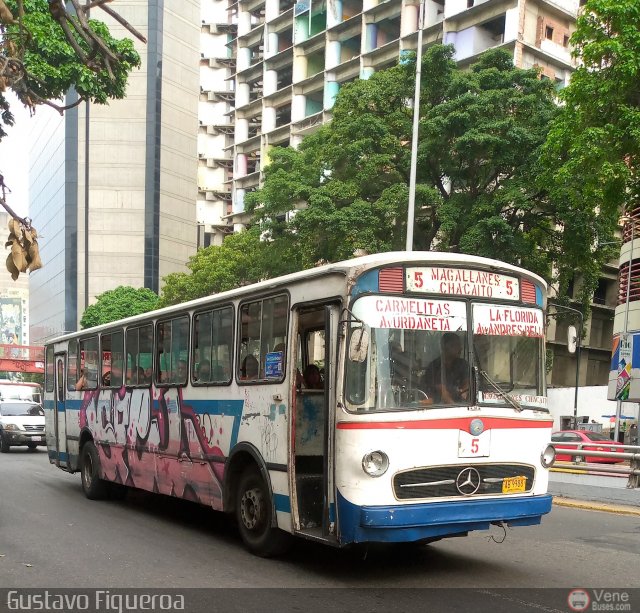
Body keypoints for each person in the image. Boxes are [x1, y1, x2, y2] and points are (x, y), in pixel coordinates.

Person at [423, 333, 469, 404]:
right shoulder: (434, 367)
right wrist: (456, 408)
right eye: (456, 345)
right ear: (445, 347)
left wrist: (464, 393)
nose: (460, 348)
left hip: (463, 405)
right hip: (439, 407)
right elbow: (443, 392)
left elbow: (467, 383)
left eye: (459, 345)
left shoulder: (463, 364)